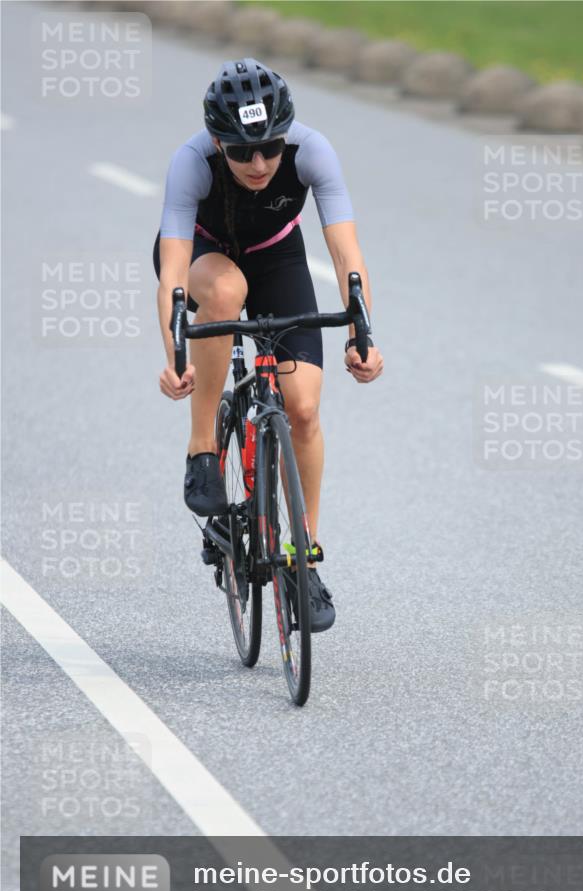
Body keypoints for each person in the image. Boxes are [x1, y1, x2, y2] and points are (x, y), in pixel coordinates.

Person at [154, 57, 383, 632]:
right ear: (216, 141)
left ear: (287, 134)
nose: (258, 164)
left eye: (270, 149)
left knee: (302, 408)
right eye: (240, 152)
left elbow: (347, 257)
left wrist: (362, 334)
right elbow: (174, 275)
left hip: (278, 256)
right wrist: (174, 355)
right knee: (226, 292)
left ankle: (302, 556)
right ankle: (203, 446)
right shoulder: (191, 163)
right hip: (206, 256)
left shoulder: (313, 151)